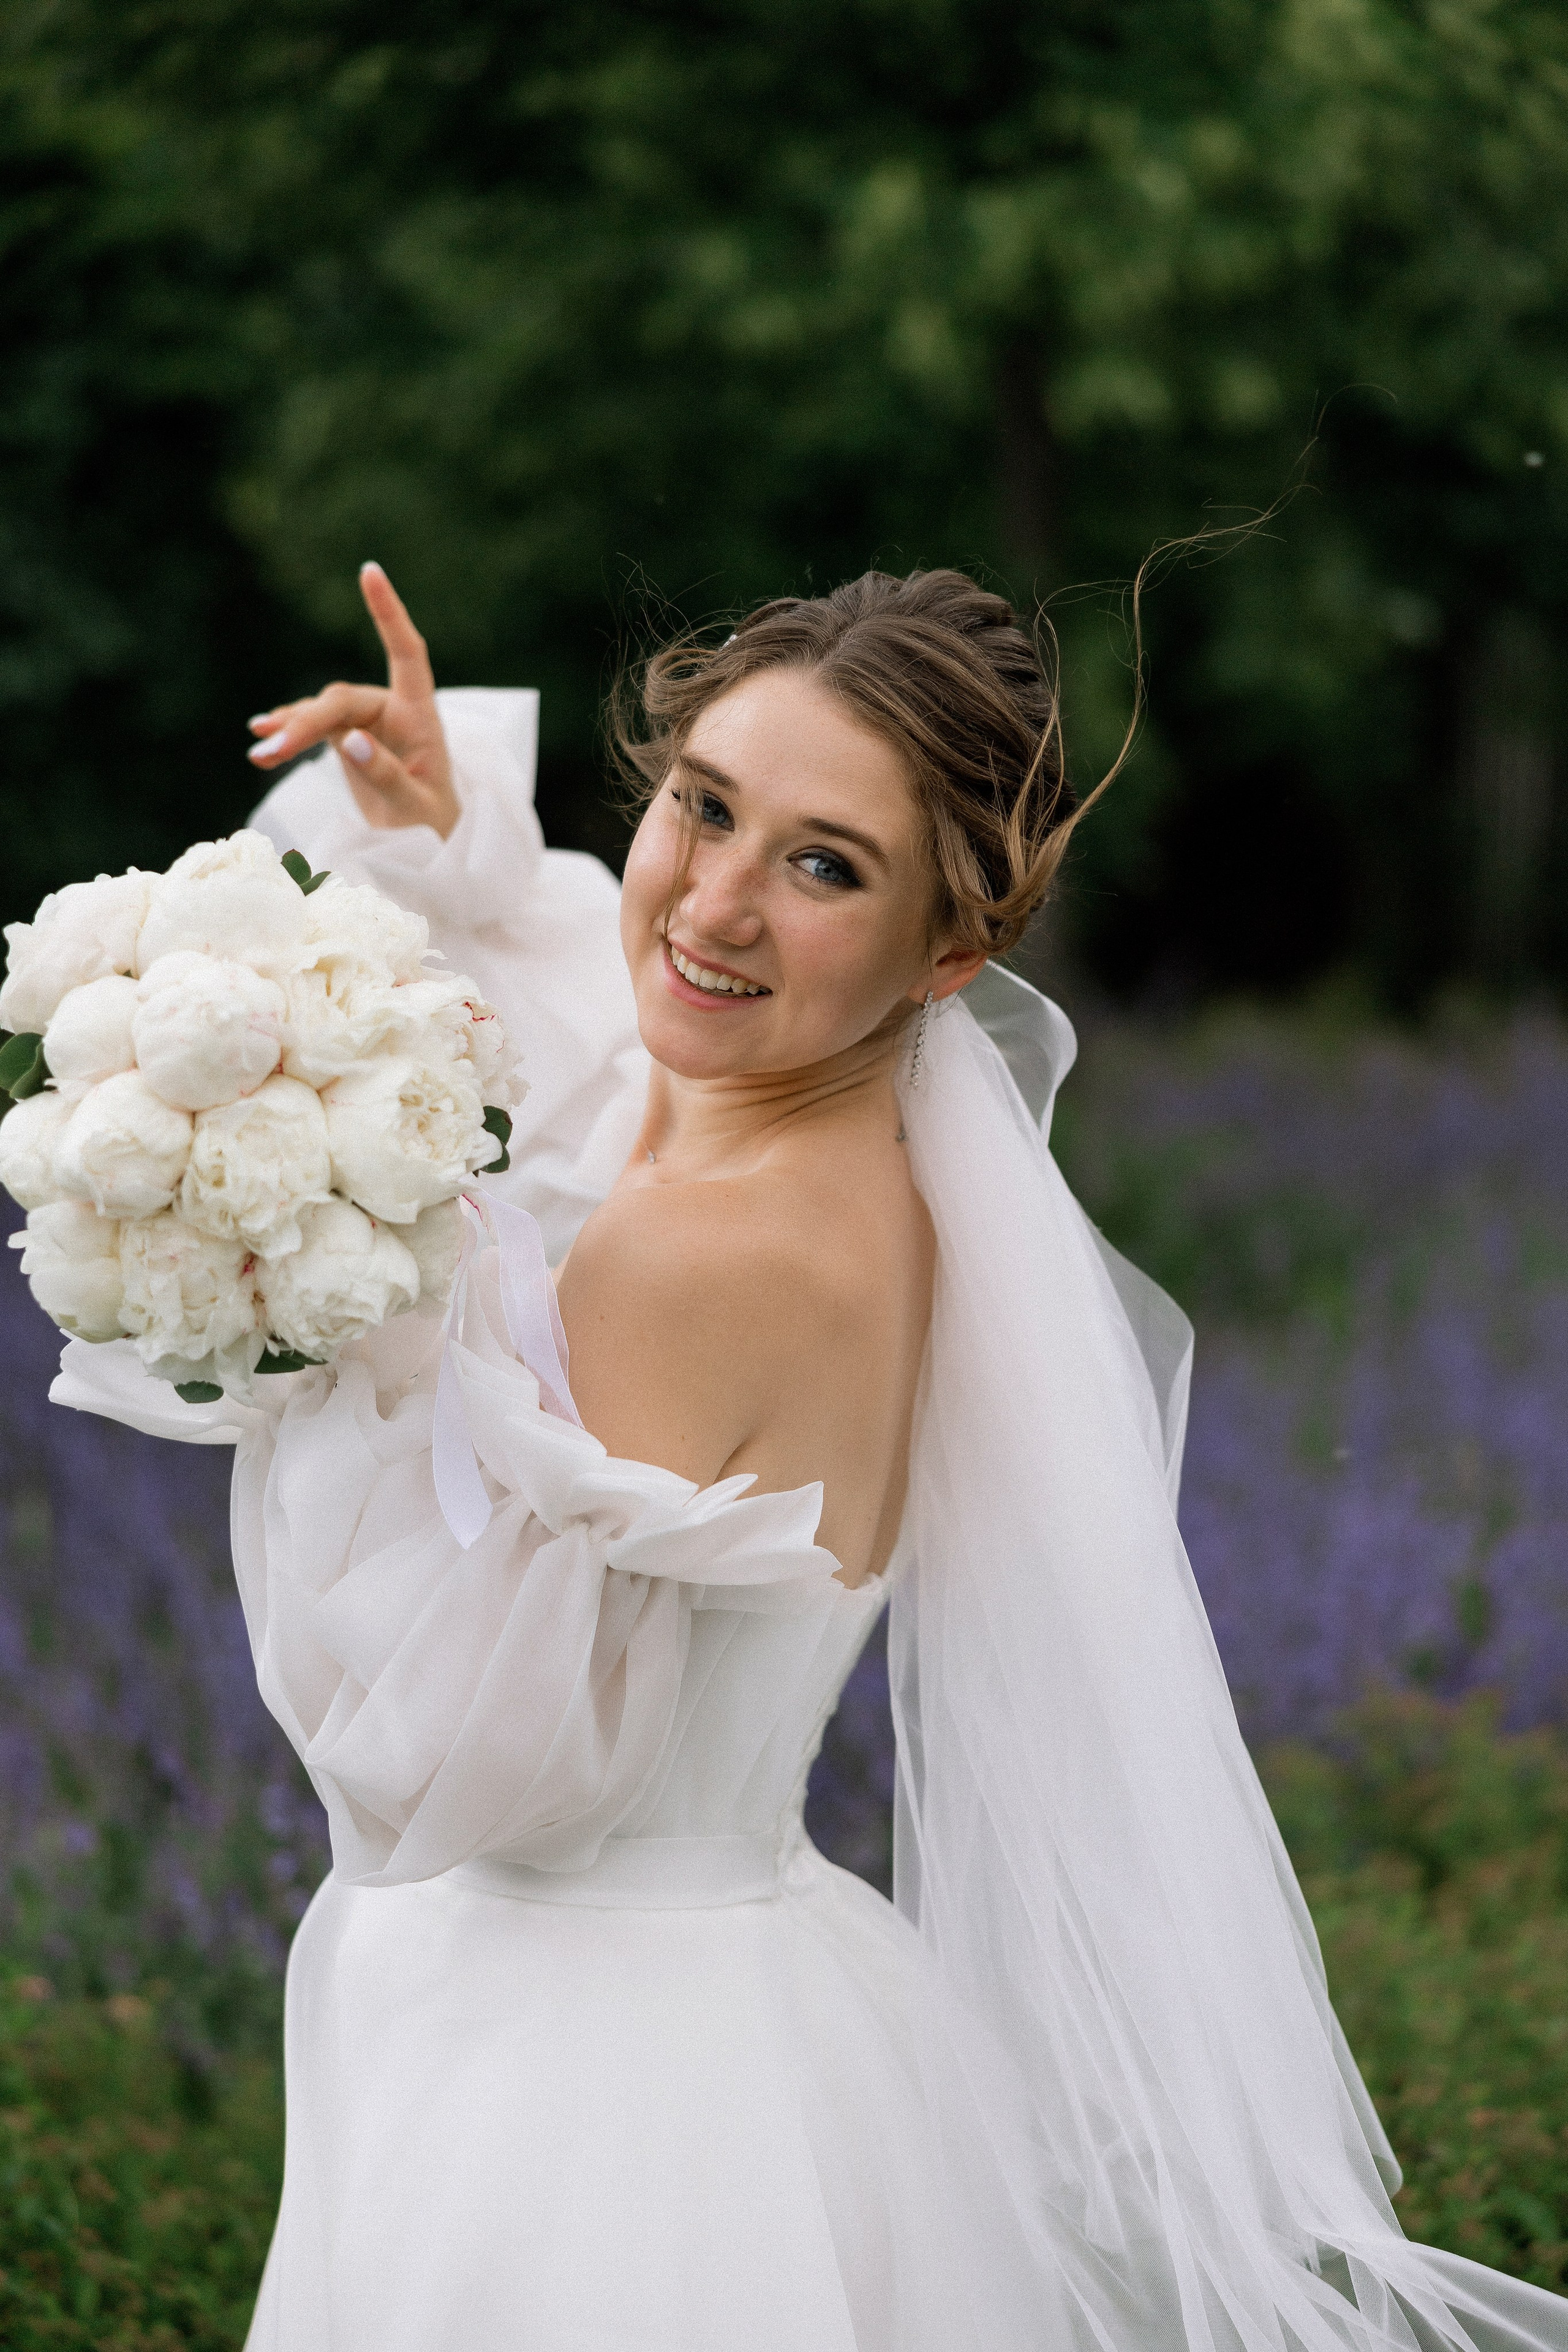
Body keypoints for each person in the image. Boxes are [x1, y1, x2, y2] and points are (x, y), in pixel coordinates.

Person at [53, 564, 1564, 2352]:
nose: (717, 900)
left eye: (823, 864)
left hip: (583, 2090)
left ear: (953, 950)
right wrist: (449, 846)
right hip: (746, 1991)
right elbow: (617, 1055)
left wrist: (305, 1332)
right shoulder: (819, 1155)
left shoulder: (713, 1252)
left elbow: (436, 1763)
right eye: (702, 806)